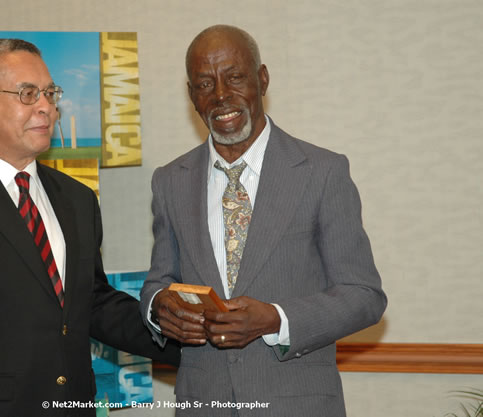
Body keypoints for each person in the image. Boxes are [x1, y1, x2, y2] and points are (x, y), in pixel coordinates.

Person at [0, 38, 179, 417]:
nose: (47, 107)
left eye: (50, 93)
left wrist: (187, 337)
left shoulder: (77, 199)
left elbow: (91, 303)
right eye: (28, 94)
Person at [140, 25, 387, 417]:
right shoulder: (170, 180)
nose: (221, 95)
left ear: (263, 79)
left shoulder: (321, 172)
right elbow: (160, 278)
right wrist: (158, 305)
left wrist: (275, 319)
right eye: (205, 83)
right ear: (192, 95)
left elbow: (364, 295)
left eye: (235, 77)